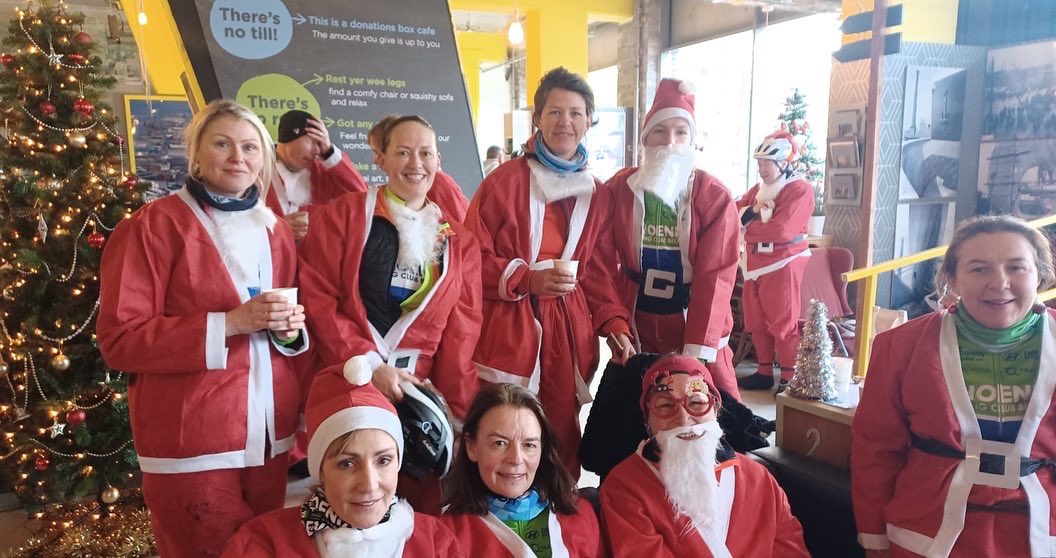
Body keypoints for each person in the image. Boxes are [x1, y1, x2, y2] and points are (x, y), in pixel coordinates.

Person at [96, 99, 309, 558]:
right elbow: (120, 340)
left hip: (270, 438)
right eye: (223, 143)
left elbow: (284, 329)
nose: (239, 157)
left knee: (265, 550)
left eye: (251, 147)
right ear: (196, 152)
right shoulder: (152, 228)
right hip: (192, 440)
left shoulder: (276, 231)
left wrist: (289, 330)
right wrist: (230, 323)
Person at [299, 114, 482, 513]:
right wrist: (366, 364)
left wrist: (458, 414)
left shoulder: (460, 242)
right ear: (380, 159)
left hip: (421, 392)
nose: (415, 163)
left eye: (425, 153)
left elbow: (461, 333)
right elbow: (319, 297)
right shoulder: (341, 218)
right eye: (402, 152)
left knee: (421, 507)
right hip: (353, 380)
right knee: (360, 499)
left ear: (438, 160)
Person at [852, 215, 1056, 558]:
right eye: (979, 269)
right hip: (924, 532)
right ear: (952, 279)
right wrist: (874, 540)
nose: (1000, 283)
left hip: (1042, 532)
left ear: (1039, 275)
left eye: (1017, 268)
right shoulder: (900, 347)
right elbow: (875, 450)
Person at [465, 67, 635, 478]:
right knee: (505, 421)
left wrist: (613, 323)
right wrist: (527, 278)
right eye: (555, 112)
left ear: (589, 120)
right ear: (537, 119)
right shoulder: (502, 184)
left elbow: (595, 269)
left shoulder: (597, 192)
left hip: (566, 327)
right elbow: (470, 257)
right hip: (510, 325)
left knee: (560, 422)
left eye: (576, 113)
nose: (566, 122)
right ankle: (495, 507)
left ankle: (559, 509)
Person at [222, 363, 465, 557]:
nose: (369, 485)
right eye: (347, 463)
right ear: (320, 470)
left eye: (383, 461)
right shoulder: (261, 544)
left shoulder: (437, 544)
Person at [602, 78, 741, 399]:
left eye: (681, 132)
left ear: (692, 140)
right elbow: (601, 260)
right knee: (637, 400)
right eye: (660, 131)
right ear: (645, 138)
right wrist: (615, 323)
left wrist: (697, 348)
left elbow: (717, 274)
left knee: (707, 399)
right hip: (637, 314)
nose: (670, 142)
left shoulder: (713, 195)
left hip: (693, 313)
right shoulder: (618, 190)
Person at [600, 355, 809, 557]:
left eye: (696, 403)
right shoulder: (624, 486)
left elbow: (790, 549)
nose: (683, 419)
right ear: (648, 422)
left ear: (715, 411)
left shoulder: (759, 479)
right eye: (665, 406)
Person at [441, 383, 601, 557]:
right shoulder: (447, 536)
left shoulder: (580, 515)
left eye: (529, 445)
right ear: (472, 447)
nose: (516, 459)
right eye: (500, 443)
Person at [735, 130, 815, 390]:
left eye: (767, 163)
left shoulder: (800, 190)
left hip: (783, 262)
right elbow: (734, 214)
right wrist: (754, 213)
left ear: (783, 162)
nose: (762, 169)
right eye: (759, 163)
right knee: (755, 321)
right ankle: (764, 370)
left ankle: (790, 377)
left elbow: (782, 230)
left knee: (783, 322)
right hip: (754, 263)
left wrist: (748, 227)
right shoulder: (758, 190)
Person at [265, 110, 368, 241]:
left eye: (320, 144)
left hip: (312, 259)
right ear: (287, 138)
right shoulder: (254, 168)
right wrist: (275, 227)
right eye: (311, 142)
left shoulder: (321, 171)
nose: (316, 151)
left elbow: (362, 197)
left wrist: (329, 153)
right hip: (271, 258)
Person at [368, 115, 470, 222]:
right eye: (403, 153)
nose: (376, 160)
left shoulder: (439, 183)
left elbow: (460, 226)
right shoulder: (366, 207)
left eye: (377, 152)